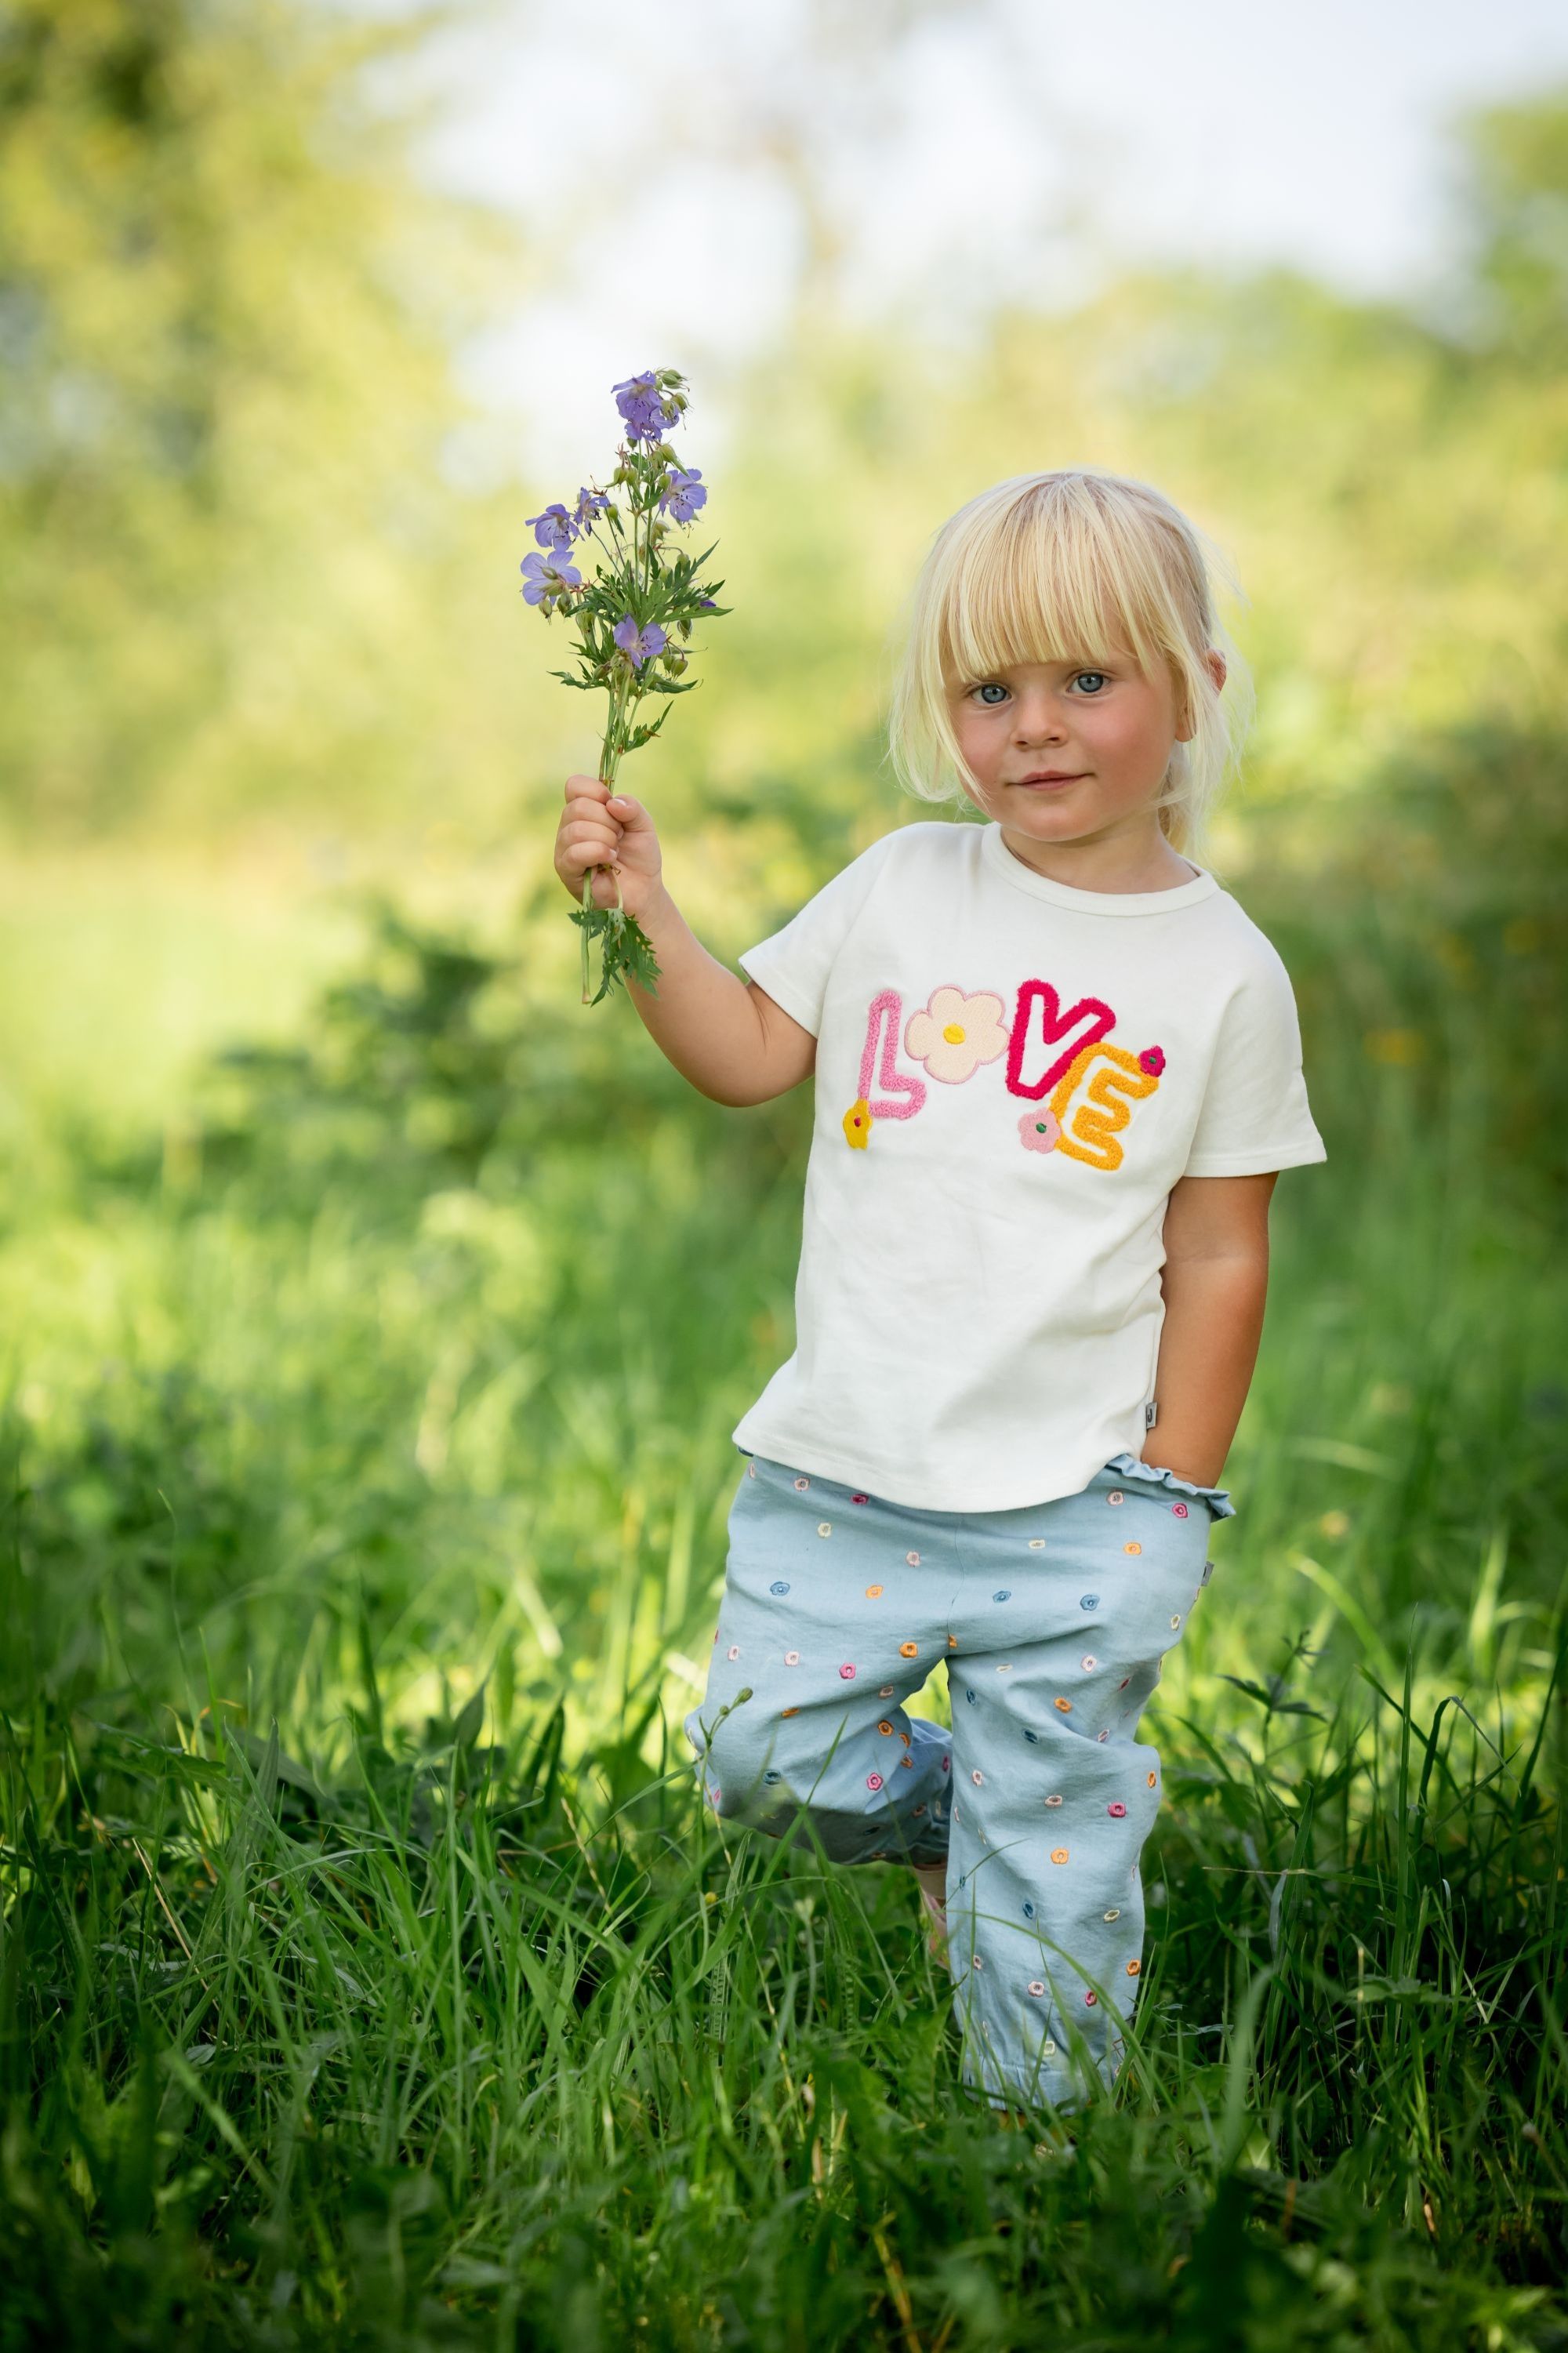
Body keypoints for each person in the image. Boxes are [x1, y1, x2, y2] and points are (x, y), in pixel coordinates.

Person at [551, 468, 1327, 2119]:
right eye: (991, 688)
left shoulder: (1222, 972)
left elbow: (1220, 1247)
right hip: (848, 1466)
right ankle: (985, 1812)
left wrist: (1175, 1487)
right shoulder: (906, 886)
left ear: (1189, 681)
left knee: (1050, 1864)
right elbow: (748, 1056)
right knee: (762, 1763)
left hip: (1076, 1500)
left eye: (1086, 681)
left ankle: (1040, 2167)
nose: (1034, 728)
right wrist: (646, 920)